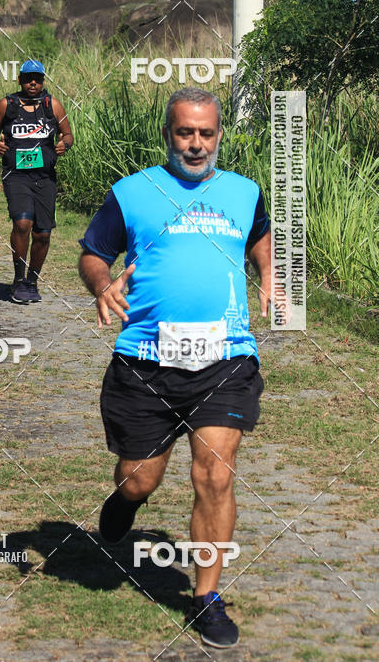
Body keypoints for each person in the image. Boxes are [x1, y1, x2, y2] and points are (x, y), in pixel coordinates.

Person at [78, 88, 271, 650]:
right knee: (140, 476)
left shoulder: (244, 191)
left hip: (226, 357)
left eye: (206, 133)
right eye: (185, 132)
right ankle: (126, 500)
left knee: (215, 473)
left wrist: (269, 274)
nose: (196, 144)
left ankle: (206, 596)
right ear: (168, 134)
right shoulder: (132, 192)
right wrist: (102, 284)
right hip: (146, 361)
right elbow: (93, 252)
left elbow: (260, 236)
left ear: (219, 135)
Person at [0, 59, 73, 304]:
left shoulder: (52, 104)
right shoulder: (7, 104)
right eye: (27, 78)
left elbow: (68, 133)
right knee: (22, 223)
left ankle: (32, 281)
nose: (32, 83)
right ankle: (18, 279)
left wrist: (64, 144)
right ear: (20, 80)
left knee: (43, 233)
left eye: (37, 78)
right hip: (17, 176)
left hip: (44, 177)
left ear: (43, 80)